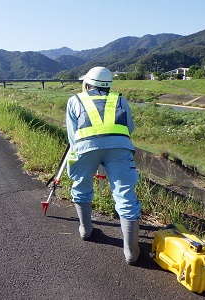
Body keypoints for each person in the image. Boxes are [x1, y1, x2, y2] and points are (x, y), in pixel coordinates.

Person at [65, 66, 142, 265]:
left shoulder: (75, 100)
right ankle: (131, 253)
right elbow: (129, 128)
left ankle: (86, 229)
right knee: (125, 195)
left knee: (82, 187)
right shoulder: (120, 99)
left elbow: (72, 135)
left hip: (85, 147)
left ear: (87, 83)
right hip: (119, 147)